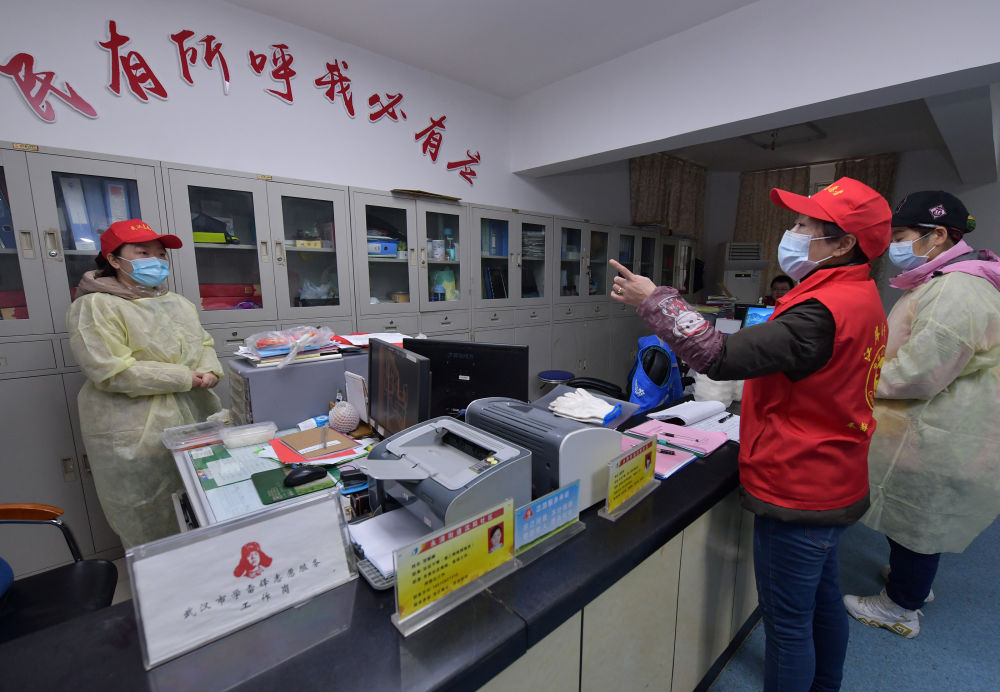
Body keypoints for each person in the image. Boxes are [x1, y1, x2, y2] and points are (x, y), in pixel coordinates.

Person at [610, 177, 891, 692]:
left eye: (806, 226)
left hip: (801, 486)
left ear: (845, 243)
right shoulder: (856, 293)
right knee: (822, 603)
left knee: (787, 625)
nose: (794, 232)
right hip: (836, 473)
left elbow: (719, 355)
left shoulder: (822, 311)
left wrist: (656, 300)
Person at [843, 191, 1000, 638]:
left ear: (938, 235)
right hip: (940, 426)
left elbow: (919, 372)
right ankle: (913, 583)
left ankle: (901, 608)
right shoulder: (950, 281)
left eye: (902, 236)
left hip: (938, 432)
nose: (894, 246)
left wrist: (855, 377)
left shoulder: (956, 288)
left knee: (916, 521)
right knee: (912, 521)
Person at [67, 219, 223, 548]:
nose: (156, 260)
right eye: (143, 252)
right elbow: (110, 371)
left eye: (161, 254)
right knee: (151, 518)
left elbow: (203, 344)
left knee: (206, 505)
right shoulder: (95, 306)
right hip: (136, 431)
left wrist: (210, 371)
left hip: (194, 416)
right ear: (113, 259)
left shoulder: (177, 303)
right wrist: (184, 377)